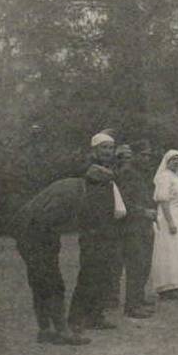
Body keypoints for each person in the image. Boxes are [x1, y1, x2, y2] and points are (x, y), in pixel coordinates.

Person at [11, 178, 91, 345]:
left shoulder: (71, 185)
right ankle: (62, 331)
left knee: (39, 282)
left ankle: (45, 330)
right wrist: (49, 248)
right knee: (53, 282)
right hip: (35, 235)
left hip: (27, 232)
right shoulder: (71, 194)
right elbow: (45, 220)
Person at [68, 132, 127, 333]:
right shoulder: (90, 168)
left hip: (108, 227)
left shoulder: (108, 168)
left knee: (105, 274)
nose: (108, 152)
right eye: (104, 148)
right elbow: (107, 175)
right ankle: (76, 318)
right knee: (89, 274)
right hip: (92, 229)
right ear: (94, 150)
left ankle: (96, 315)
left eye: (110, 148)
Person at [115, 144, 157, 318]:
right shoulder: (127, 173)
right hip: (132, 226)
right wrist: (143, 212)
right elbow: (122, 202)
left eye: (149, 155)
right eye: (143, 155)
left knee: (145, 263)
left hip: (145, 224)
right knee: (136, 265)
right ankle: (132, 306)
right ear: (135, 155)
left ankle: (138, 298)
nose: (146, 159)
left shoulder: (144, 174)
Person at [150, 150, 178, 300]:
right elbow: (163, 200)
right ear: (166, 162)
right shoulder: (164, 177)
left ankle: (177, 285)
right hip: (168, 216)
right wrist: (170, 222)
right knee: (168, 250)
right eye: (173, 159)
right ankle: (166, 287)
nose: (176, 162)